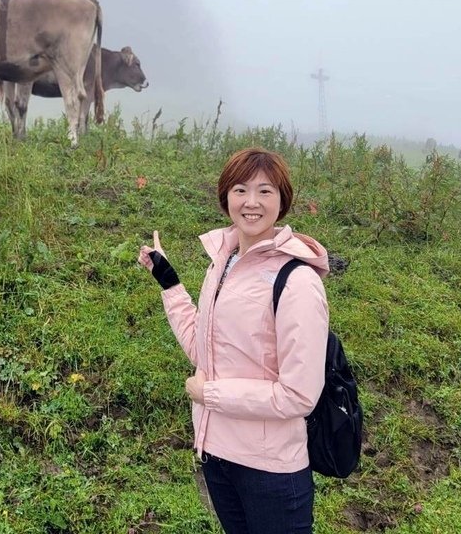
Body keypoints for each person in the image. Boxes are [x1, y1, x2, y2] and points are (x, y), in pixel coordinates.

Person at [138, 147, 330, 534]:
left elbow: (299, 394)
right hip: (217, 455)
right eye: (240, 190)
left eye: (265, 191)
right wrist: (170, 283)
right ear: (226, 197)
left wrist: (211, 395)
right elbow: (202, 351)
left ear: (282, 200)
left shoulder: (297, 281)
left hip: (270, 471)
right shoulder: (222, 264)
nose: (251, 202)